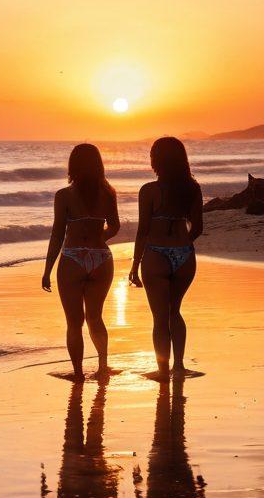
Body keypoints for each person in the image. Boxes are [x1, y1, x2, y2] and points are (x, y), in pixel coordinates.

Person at [41, 143, 120, 380]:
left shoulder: (64, 196)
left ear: (72, 165)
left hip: (73, 257)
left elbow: (57, 234)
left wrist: (47, 270)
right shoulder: (108, 193)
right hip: (101, 257)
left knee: (74, 323)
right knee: (95, 318)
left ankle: (78, 374)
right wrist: (98, 238)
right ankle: (103, 367)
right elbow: (115, 226)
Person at [129, 137, 204, 380]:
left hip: (156, 254)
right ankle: (179, 366)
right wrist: (182, 244)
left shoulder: (149, 190)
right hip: (185, 255)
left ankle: (162, 370)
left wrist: (135, 265)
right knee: (175, 312)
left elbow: (143, 231)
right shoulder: (192, 189)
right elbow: (198, 228)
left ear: (156, 160)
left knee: (160, 318)